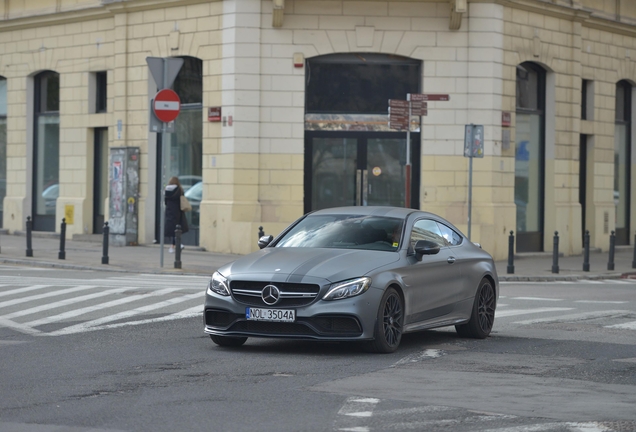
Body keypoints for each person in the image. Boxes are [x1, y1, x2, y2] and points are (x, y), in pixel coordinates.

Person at [164, 176, 189, 253]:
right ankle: (177, 244)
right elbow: (181, 199)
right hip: (177, 211)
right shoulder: (179, 190)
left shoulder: (166, 190)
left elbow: (165, 201)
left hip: (169, 211)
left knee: (172, 229)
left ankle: (172, 246)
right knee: (178, 228)